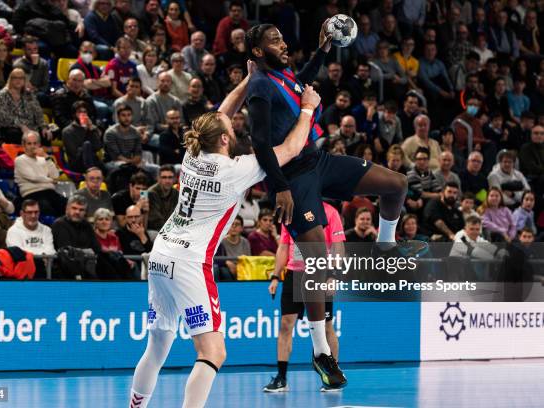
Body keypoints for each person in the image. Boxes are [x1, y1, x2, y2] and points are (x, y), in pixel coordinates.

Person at [129, 61, 318, 408]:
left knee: (157, 346)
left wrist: (249, 79)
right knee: (213, 352)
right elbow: (290, 149)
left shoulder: (192, 154)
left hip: (160, 255)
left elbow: (218, 115)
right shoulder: (236, 170)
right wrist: (307, 108)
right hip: (189, 261)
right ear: (227, 139)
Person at [246, 21, 424, 386]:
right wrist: (279, 187)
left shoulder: (283, 75)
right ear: (258, 52)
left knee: (396, 184)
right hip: (292, 180)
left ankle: (386, 245)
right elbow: (260, 142)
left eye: (281, 37)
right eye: (274, 41)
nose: (283, 44)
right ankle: (320, 353)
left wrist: (324, 47)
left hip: (319, 161)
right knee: (316, 261)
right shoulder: (260, 86)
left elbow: (303, 80)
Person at [265, 201, 344, 392]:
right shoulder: (290, 211)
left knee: (326, 326)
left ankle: (332, 376)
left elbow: (338, 246)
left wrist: (333, 275)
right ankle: (281, 378)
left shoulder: (330, 212)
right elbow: (284, 246)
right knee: (285, 325)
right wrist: (276, 276)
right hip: (294, 274)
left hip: (320, 273)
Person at [14, 131, 67, 217]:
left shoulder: (43, 159)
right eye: (29, 143)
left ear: (39, 144)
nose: (32, 146)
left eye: (35, 143)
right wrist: (50, 180)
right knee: (47, 208)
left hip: (50, 192)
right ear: (24, 145)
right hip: (32, 194)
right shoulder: (20, 160)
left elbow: (56, 175)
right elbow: (33, 177)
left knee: (68, 205)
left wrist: (46, 156)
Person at [0, 68, 51, 144]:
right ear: (11, 79)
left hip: (30, 127)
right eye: (15, 78)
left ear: (24, 80)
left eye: (21, 78)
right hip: (10, 127)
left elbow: (38, 112)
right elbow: (3, 116)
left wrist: (43, 127)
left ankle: (43, 155)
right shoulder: (3, 94)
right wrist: (21, 126)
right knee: (15, 134)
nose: (18, 80)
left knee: (46, 134)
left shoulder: (29, 94)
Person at [6, 199, 55, 278]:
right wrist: (42, 255)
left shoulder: (46, 230)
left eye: (36, 212)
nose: (33, 216)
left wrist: (40, 255)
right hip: (23, 273)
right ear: (22, 214)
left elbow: (51, 251)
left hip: (45, 270)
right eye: (29, 212)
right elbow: (20, 254)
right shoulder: (13, 231)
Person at [62, 101, 104, 173]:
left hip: (93, 160)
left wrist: (90, 129)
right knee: (87, 145)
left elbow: (98, 146)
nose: (83, 114)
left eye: (85, 112)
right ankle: (91, 172)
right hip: (77, 163)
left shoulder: (92, 128)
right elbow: (74, 153)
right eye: (79, 112)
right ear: (74, 114)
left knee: (111, 170)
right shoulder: (67, 131)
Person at [146, 164, 179, 231]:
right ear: (158, 179)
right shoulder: (151, 193)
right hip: (155, 230)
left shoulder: (176, 193)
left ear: (174, 179)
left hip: (171, 229)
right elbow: (155, 220)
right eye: (164, 177)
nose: (167, 181)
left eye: (170, 177)